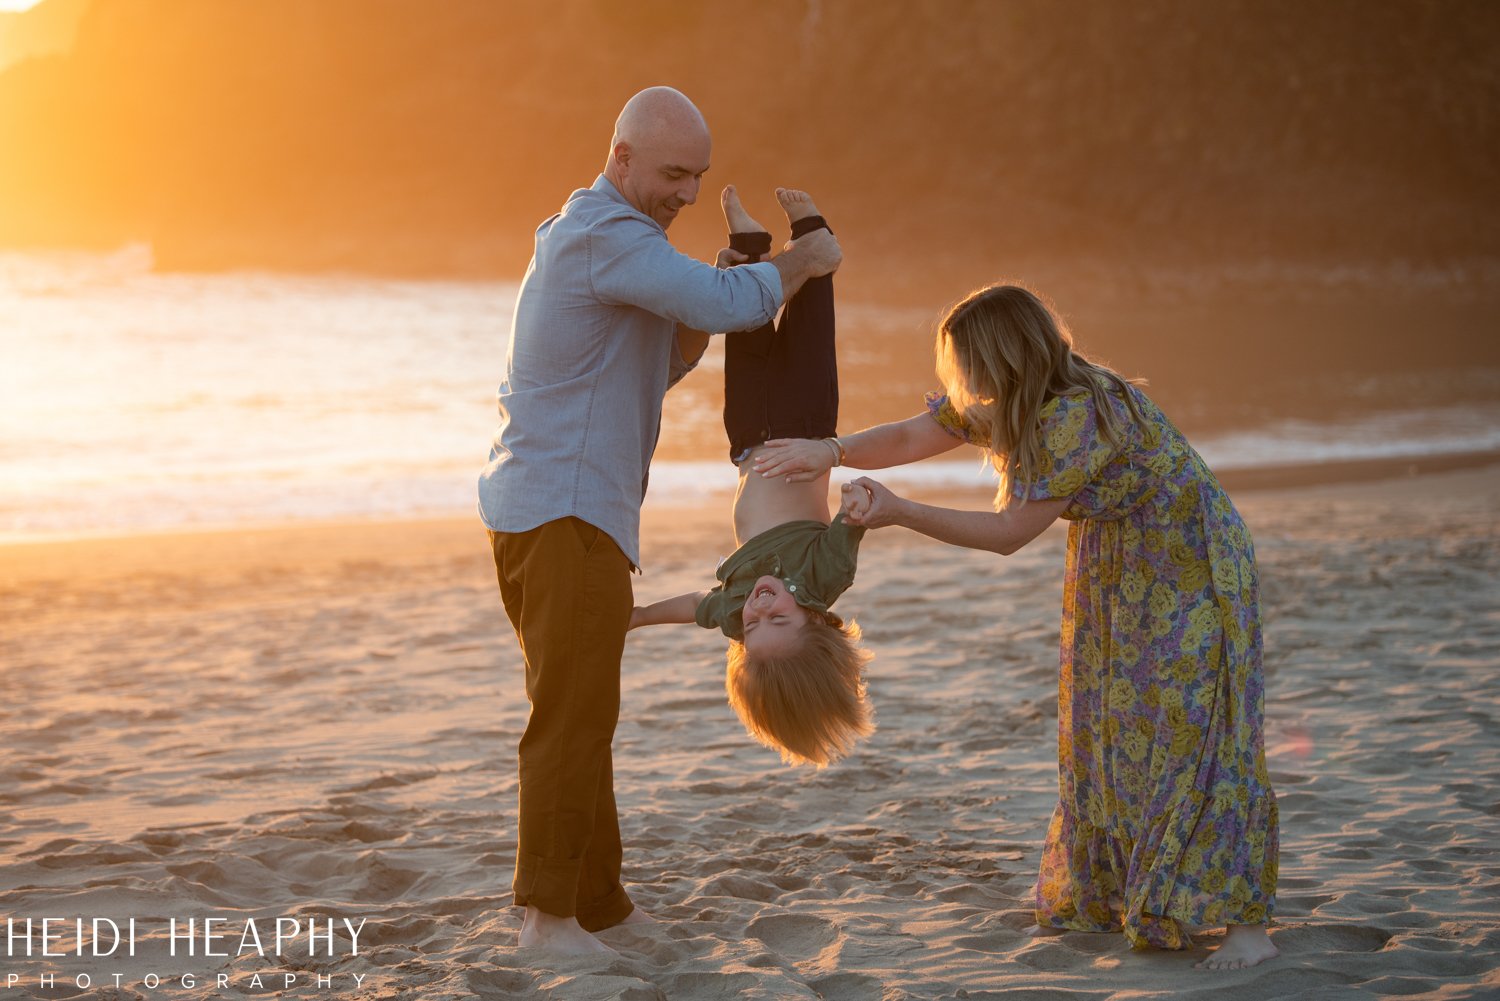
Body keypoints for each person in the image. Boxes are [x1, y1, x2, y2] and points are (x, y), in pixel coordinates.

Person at [753, 283, 1280, 971]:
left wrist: (900, 510)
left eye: (967, 365)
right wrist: (832, 449)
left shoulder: (1072, 414)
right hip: (1120, 558)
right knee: (1114, 725)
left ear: (1002, 359)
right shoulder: (1014, 398)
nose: (960, 383)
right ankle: (1132, 889)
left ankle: (1247, 924)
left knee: (1198, 730)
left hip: (1187, 560)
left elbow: (1009, 533)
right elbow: (918, 432)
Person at [476, 86, 842, 956]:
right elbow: (724, 305)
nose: (685, 190)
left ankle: (600, 905)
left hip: (565, 512)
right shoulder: (605, 234)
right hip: (561, 515)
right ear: (621, 159)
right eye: (674, 173)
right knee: (569, 718)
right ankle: (547, 919)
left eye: (699, 175)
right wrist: (802, 264)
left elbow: (660, 362)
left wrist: (710, 301)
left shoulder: (610, 243)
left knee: (584, 712)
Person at [629, 185, 875, 769]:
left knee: (747, 338)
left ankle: (747, 247)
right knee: (808, 337)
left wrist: (638, 618)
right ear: (814, 619)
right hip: (805, 428)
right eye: (778, 617)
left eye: (753, 623)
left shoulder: (734, 609)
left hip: (746, 440)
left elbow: (693, 606)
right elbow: (850, 524)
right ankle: (814, 240)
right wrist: (857, 505)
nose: (760, 606)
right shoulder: (822, 578)